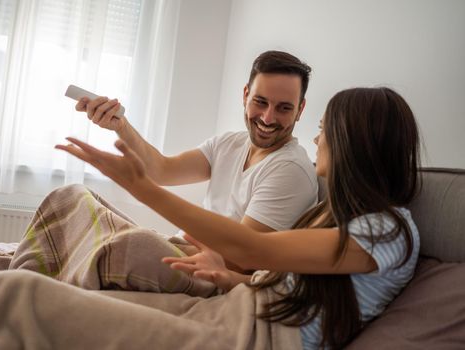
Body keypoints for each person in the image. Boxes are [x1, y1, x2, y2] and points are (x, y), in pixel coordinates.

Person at [56, 86, 421, 349]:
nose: (316, 140)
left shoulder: (386, 231)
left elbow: (252, 249)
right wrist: (230, 278)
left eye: (324, 130)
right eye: (260, 102)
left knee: (37, 300)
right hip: (241, 309)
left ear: (351, 142)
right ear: (245, 95)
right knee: (64, 300)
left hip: (257, 333)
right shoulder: (333, 216)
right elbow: (289, 287)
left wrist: (143, 189)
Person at [75, 50, 318, 264]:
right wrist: (121, 126)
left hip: (201, 267)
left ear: (300, 109)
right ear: (245, 95)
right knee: (74, 200)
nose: (267, 118)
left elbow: (241, 256)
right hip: (180, 247)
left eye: (284, 108)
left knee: (104, 244)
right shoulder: (229, 143)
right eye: (260, 102)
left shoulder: (291, 170)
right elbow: (162, 170)